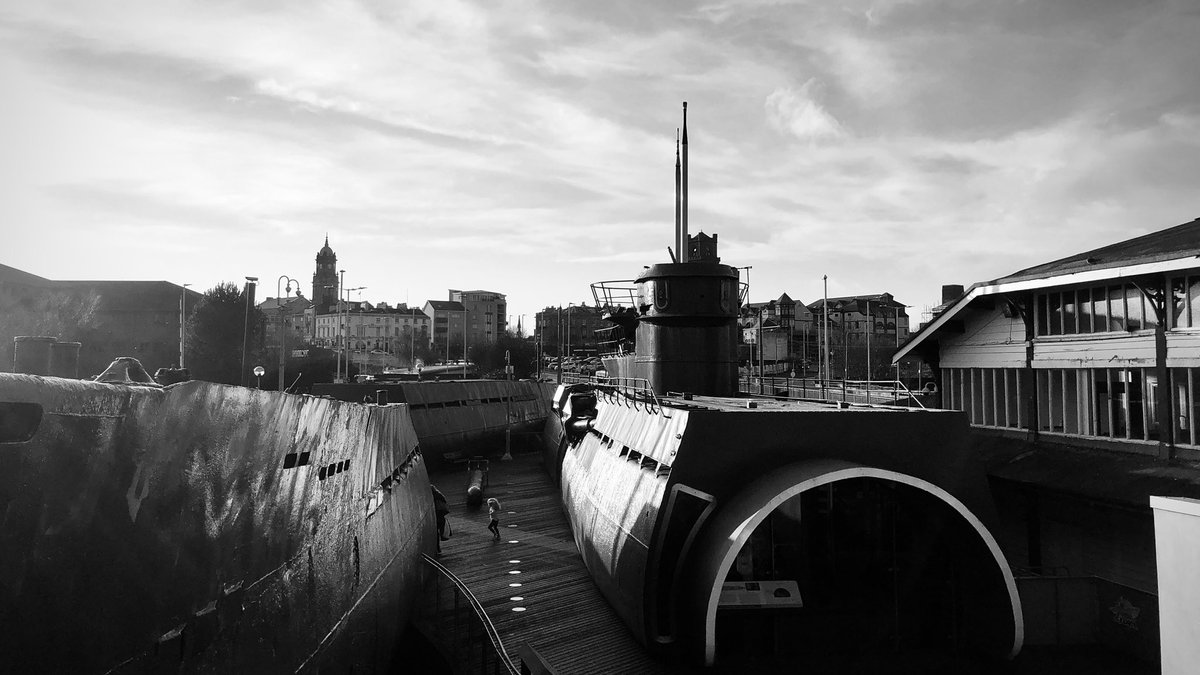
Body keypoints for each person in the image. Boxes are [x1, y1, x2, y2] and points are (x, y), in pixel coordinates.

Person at [431, 486, 450, 552]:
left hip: (436, 513)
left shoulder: (430, 492)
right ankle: (443, 537)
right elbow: (442, 498)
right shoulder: (436, 492)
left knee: (436, 531)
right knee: (439, 529)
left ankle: (437, 548)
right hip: (439, 513)